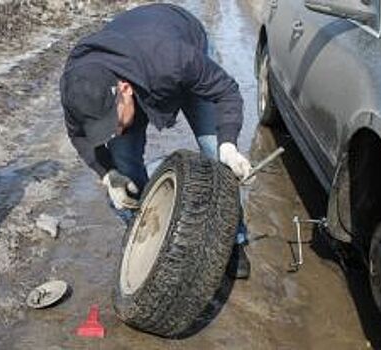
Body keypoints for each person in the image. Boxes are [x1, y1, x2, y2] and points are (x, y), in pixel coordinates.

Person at [60, 4, 252, 279]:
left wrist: (229, 145)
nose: (112, 133)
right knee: (125, 169)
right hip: (134, 57)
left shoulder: (175, 59)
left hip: (176, 42)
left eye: (112, 124)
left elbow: (227, 93)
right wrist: (107, 174)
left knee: (216, 157)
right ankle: (145, 232)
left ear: (124, 90)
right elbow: (78, 135)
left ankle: (235, 241)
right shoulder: (76, 86)